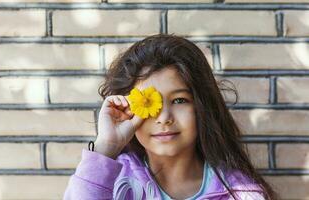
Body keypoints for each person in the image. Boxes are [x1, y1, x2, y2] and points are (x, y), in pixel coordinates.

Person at [63, 34, 278, 200]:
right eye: (148, 101)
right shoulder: (112, 182)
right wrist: (106, 147)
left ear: (202, 107)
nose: (164, 117)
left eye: (179, 100)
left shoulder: (239, 192)